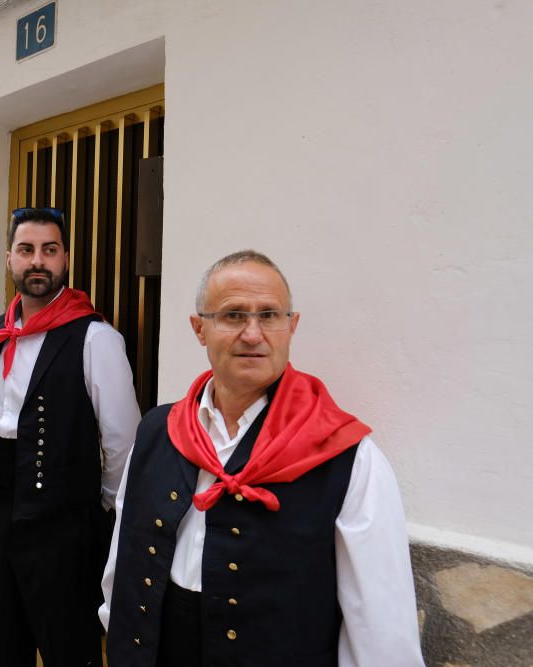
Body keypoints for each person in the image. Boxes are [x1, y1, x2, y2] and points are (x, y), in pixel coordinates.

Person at [100, 250, 424, 666]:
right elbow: (122, 560)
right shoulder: (158, 431)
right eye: (233, 315)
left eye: (269, 315)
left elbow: (380, 625)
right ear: (200, 329)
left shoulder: (349, 457)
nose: (253, 333)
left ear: (292, 326)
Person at [0, 207, 141, 666]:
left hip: (65, 523)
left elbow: (123, 441)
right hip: (3, 511)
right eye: (26, 250)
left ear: (65, 259)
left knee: (70, 649)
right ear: (9, 259)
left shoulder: (95, 337)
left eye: (50, 250)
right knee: (3, 645)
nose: (38, 261)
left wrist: (96, 510)